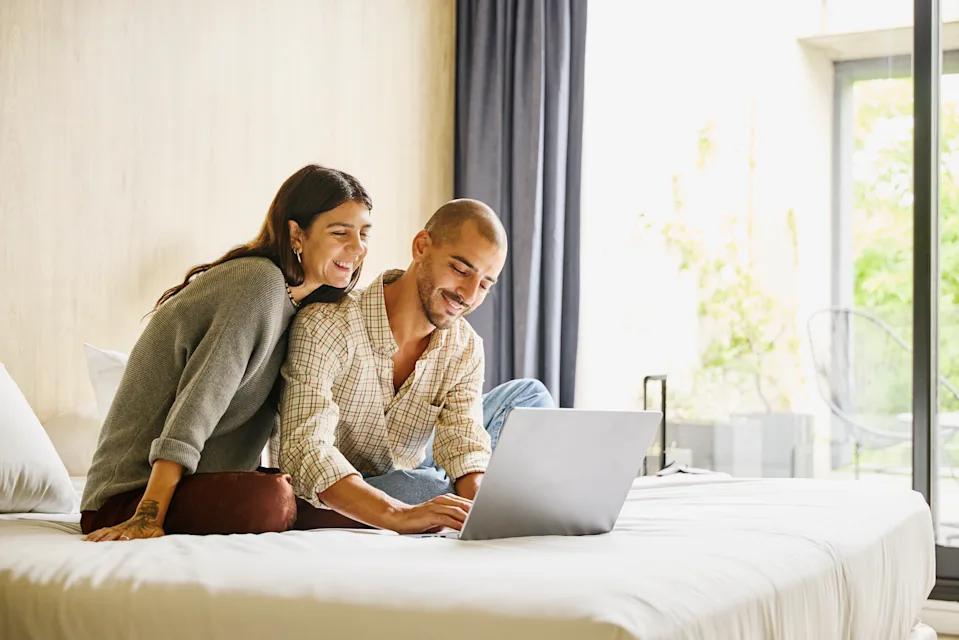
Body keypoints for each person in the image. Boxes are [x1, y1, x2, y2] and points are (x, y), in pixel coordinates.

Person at [81, 164, 373, 541]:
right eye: (340, 233)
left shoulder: (307, 312)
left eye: (364, 233)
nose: (358, 248)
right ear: (296, 233)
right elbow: (198, 404)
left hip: (207, 488)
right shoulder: (258, 284)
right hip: (132, 496)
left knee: (354, 498)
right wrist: (147, 516)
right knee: (272, 501)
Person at [280, 199, 553, 534]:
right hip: (344, 488)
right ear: (421, 246)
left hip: (414, 466)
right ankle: (435, 495)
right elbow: (304, 447)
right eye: (460, 270)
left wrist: (480, 507)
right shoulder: (326, 324)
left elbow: (464, 444)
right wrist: (399, 514)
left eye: (484, 284)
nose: (468, 294)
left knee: (531, 395)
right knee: (420, 488)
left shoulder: (464, 347)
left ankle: (454, 498)